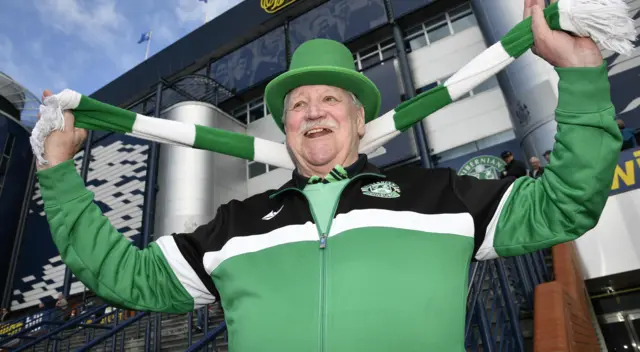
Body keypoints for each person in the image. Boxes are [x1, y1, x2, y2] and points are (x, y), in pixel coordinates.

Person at [33, 1, 622, 350]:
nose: (313, 111)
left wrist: (581, 76)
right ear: (285, 128)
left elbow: (568, 202)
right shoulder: (231, 227)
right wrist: (58, 169)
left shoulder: (440, 195)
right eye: (297, 104)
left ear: (361, 119)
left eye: (331, 99)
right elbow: (118, 274)